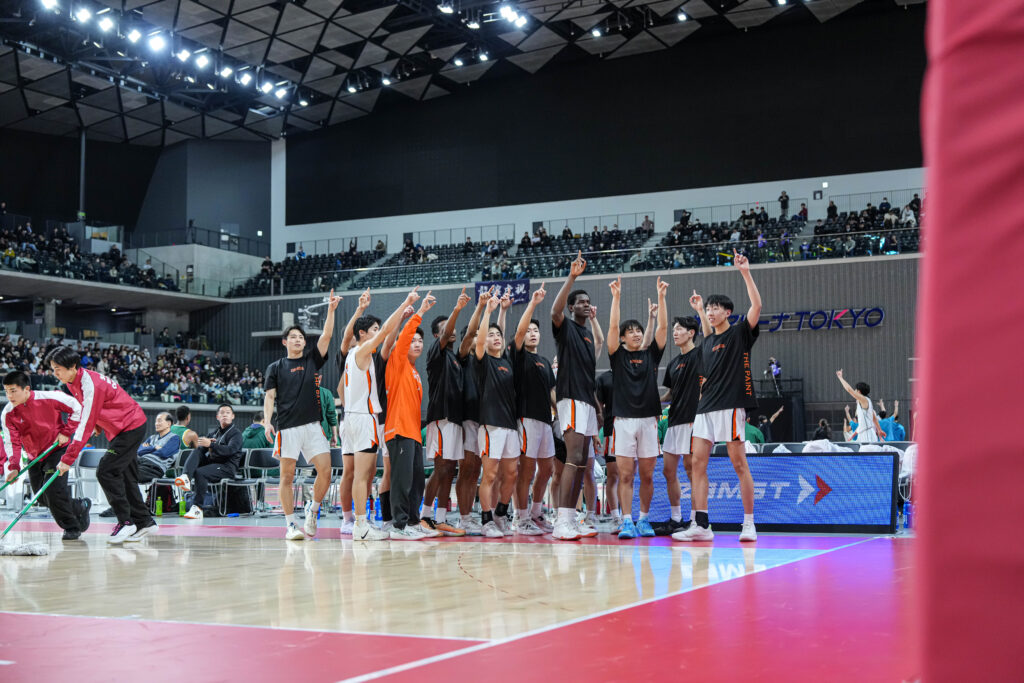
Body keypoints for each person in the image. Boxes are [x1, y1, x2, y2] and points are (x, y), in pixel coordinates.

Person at [675, 248, 762, 544]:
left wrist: (745, 273)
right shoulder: (708, 342)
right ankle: (701, 524)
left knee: (739, 464)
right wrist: (700, 310)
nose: (711, 312)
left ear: (727, 313)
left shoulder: (739, 333)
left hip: (731, 406)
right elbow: (707, 333)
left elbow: (757, 306)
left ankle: (748, 523)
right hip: (705, 409)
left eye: (715, 309)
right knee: (697, 464)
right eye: (709, 309)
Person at [46, 345, 157, 544]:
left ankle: (125, 522)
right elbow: (92, 409)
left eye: (58, 369)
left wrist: (67, 459)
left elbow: (85, 424)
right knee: (126, 476)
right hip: (122, 428)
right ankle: (144, 522)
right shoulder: (73, 382)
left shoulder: (90, 385)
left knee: (106, 471)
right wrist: (98, 423)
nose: (55, 374)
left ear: (72, 367)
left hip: (129, 426)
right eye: (53, 369)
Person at [343, 287, 422, 541]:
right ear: (362, 334)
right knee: (363, 476)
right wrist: (406, 303)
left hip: (352, 417)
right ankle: (361, 525)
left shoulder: (351, 355)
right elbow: (387, 332)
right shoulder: (362, 350)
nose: (378, 332)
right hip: (363, 417)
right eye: (373, 330)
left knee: (363, 475)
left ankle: (361, 523)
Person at [262, 290, 341, 540]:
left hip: (313, 427)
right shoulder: (275, 367)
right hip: (288, 428)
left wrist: (331, 310)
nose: (297, 340)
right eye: (293, 337)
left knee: (325, 472)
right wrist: (267, 422)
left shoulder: (311, 361)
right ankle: (290, 525)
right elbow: (269, 397)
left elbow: (327, 336)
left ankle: (312, 510)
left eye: (301, 337)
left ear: (305, 343)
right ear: (284, 342)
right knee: (286, 476)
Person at [607, 276, 667, 539]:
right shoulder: (617, 356)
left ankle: (643, 519)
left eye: (638, 330)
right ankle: (627, 521)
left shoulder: (651, 354)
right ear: (622, 338)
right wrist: (616, 298)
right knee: (625, 475)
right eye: (630, 331)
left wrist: (661, 297)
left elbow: (662, 327)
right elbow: (612, 326)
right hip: (623, 421)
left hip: (648, 421)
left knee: (648, 475)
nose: (636, 333)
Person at [550, 251, 604, 540]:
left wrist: (597, 408)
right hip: (569, 398)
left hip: (586, 402)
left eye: (588, 301)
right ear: (572, 307)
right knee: (573, 458)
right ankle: (561, 521)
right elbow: (554, 312)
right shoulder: (565, 327)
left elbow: (596, 351)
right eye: (580, 302)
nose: (585, 304)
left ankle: (572, 518)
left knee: (583, 463)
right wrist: (571, 277)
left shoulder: (587, 335)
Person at [1, 370, 91, 541]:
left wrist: (66, 432)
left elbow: (77, 408)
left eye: (13, 391)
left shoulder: (50, 397)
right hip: (34, 456)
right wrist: (14, 466)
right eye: (6, 391)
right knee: (41, 497)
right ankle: (80, 506)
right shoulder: (8, 413)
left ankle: (71, 526)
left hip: (56, 450)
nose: (9, 396)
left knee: (53, 491)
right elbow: (12, 442)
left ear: (26, 389)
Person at [384, 292, 436, 539]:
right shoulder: (398, 362)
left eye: (420, 341)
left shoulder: (414, 372)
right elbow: (403, 337)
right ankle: (399, 526)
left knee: (416, 481)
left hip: (413, 434)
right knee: (402, 481)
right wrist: (420, 312)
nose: (416, 343)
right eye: (413, 340)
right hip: (399, 430)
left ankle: (413, 522)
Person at [421, 286, 472, 536]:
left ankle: (440, 518)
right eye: (445, 328)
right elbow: (447, 332)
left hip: (455, 420)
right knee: (441, 468)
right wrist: (457, 309)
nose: (450, 331)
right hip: (441, 417)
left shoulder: (455, 359)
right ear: (436, 335)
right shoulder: (436, 353)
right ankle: (424, 517)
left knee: (450, 469)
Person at [510, 284, 557, 536]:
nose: (532, 333)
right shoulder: (518, 356)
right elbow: (518, 332)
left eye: (536, 330)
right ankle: (521, 517)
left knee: (547, 469)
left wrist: (559, 413)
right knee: (526, 470)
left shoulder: (545, 362)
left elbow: (552, 392)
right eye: (528, 330)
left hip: (545, 420)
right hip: (526, 418)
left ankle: (537, 513)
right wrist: (533, 304)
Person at [474, 296, 520, 537]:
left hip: (510, 425)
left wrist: (503, 311)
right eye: (491, 335)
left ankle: (501, 514)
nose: (496, 338)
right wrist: (488, 312)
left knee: (511, 474)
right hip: (491, 425)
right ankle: (486, 520)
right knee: (490, 474)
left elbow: (500, 331)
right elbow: (482, 340)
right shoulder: (483, 362)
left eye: (498, 335)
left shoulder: (506, 362)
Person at [660, 316, 702, 532]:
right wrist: (654, 401)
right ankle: (676, 518)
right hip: (673, 421)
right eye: (674, 329)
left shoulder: (700, 355)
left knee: (691, 470)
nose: (675, 333)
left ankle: (695, 520)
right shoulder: (673, 363)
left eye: (679, 329)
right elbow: (670, 393)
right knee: (668, 471)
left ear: (691, 333)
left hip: (693, 420)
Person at [175, 404, 244, 519]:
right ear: (217, 417)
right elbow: (203, 448)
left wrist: (211, 445)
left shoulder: (236, 434)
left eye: (228, 413)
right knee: (198, 450)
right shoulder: (215, 433)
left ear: (233, 416)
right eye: (222, 413)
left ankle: (197, 508)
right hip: (214, 464)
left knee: (200, 472)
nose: (225, 415)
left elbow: (230, 450)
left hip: (227, 468)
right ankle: (186, 477)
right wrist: (205, 444)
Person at [596, 370, 620, 530]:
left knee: (630, 476)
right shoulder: (603, 379)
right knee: (613, 475)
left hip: (633, 429)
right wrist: (595, 432)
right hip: (611, 429)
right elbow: (598, 407)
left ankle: (629, 517)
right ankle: (616, 517)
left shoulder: (633, 372)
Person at [835, 370, 885, 442]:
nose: (854, 391)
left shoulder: (864, 399)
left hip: (867, 435)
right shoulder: (866, 401)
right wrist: (879, 430)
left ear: (859, 391)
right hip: (865, 433)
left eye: (855, 389)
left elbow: (849, 390)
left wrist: (840, 377)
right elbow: (873, 418)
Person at [136, 411, 182, 483]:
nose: (156, 424)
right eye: (156, 421)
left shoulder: (174, 438)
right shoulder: (152, 438)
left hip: (153, 467)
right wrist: (154, 448)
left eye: (159, 421)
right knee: (120, 469)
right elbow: (139, 451)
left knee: (128, 476)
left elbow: (164, 453)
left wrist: (147, 449)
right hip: (140, 461)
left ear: (168, 423)